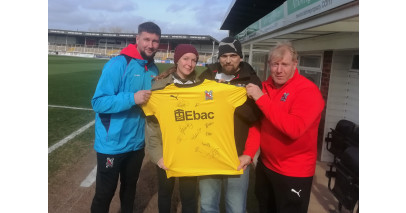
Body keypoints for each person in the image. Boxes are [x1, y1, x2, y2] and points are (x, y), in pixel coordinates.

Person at [245, 41, 325, 213]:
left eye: (285, 64)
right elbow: (257, 125)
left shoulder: (307, 91)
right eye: (275, 64)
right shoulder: (265, 87)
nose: (279, 70)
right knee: (264, 208)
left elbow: (294, 128)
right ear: (269, 65)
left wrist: (261, 99)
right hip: (265, 166)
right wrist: (249, 154)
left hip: (293, 173)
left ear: (295, 64)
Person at [90, 21, 161, 213]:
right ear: (137, 39)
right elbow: (98, 102)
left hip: (137, 144)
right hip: (112, 144)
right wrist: (132, 98)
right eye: (146, 39)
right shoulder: (118, 64)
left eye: (155, 41)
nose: (150, 45)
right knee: (105, 193)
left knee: (130, 190)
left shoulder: (153, 69)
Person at [198, 36, 262, 213]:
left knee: (235, 208)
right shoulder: (207, 77)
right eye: (224, 56)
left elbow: (254, 116)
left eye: (233, 55)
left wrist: (226, 99)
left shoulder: (252, 80)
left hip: (237, 155)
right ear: (219, 58)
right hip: (210, 153)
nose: (228, 60)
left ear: (240, 57)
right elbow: (196, 108)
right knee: (207, 205)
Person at [145, 44, 200, 213]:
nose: (190, 64)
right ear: (177, 60)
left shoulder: (202, 87)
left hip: (190, 152)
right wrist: (158, 156)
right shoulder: (159, 87)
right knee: (165, 193)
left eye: (194, 60)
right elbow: (152, 127)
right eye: (185, 59)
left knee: (189, 196)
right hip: (166, 152)